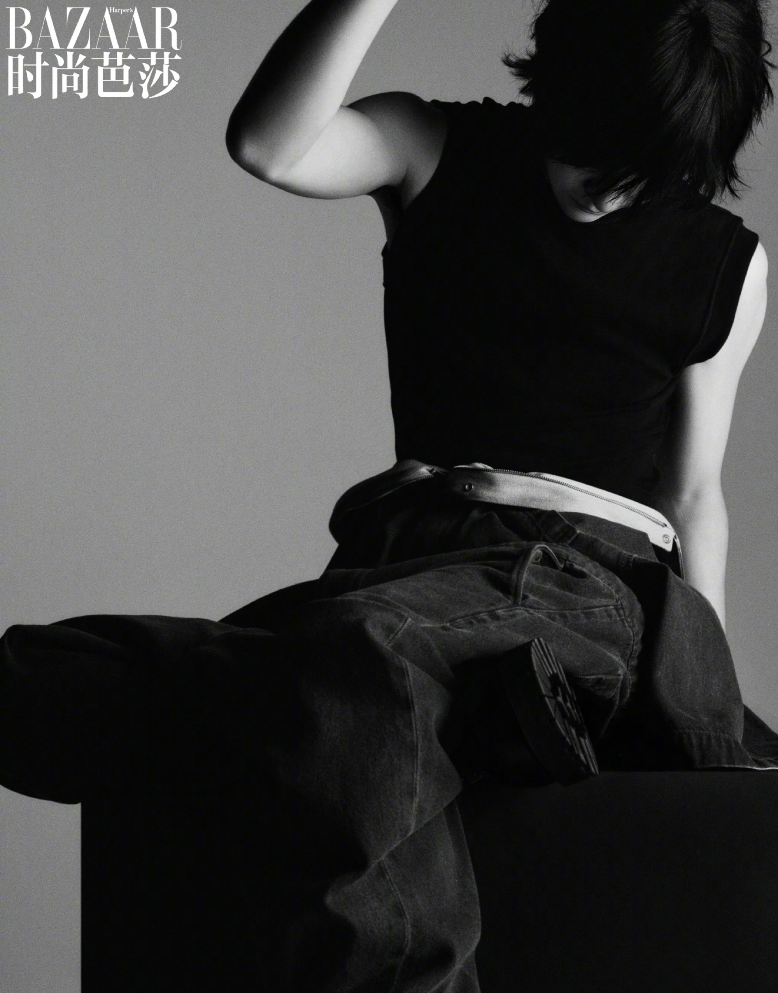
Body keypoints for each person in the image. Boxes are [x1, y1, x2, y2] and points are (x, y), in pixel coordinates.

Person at [2, 1, 778, 990]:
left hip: (588, 581)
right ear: (560, 85)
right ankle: (488, 714)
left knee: (358, 655)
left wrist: (701, 703)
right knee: (58, 670)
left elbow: (693, 492)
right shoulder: (434, 147)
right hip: (409, 563)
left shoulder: (723, 261)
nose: (606, 192)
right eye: (593, 156)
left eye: (642, 170)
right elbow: (269, 145)